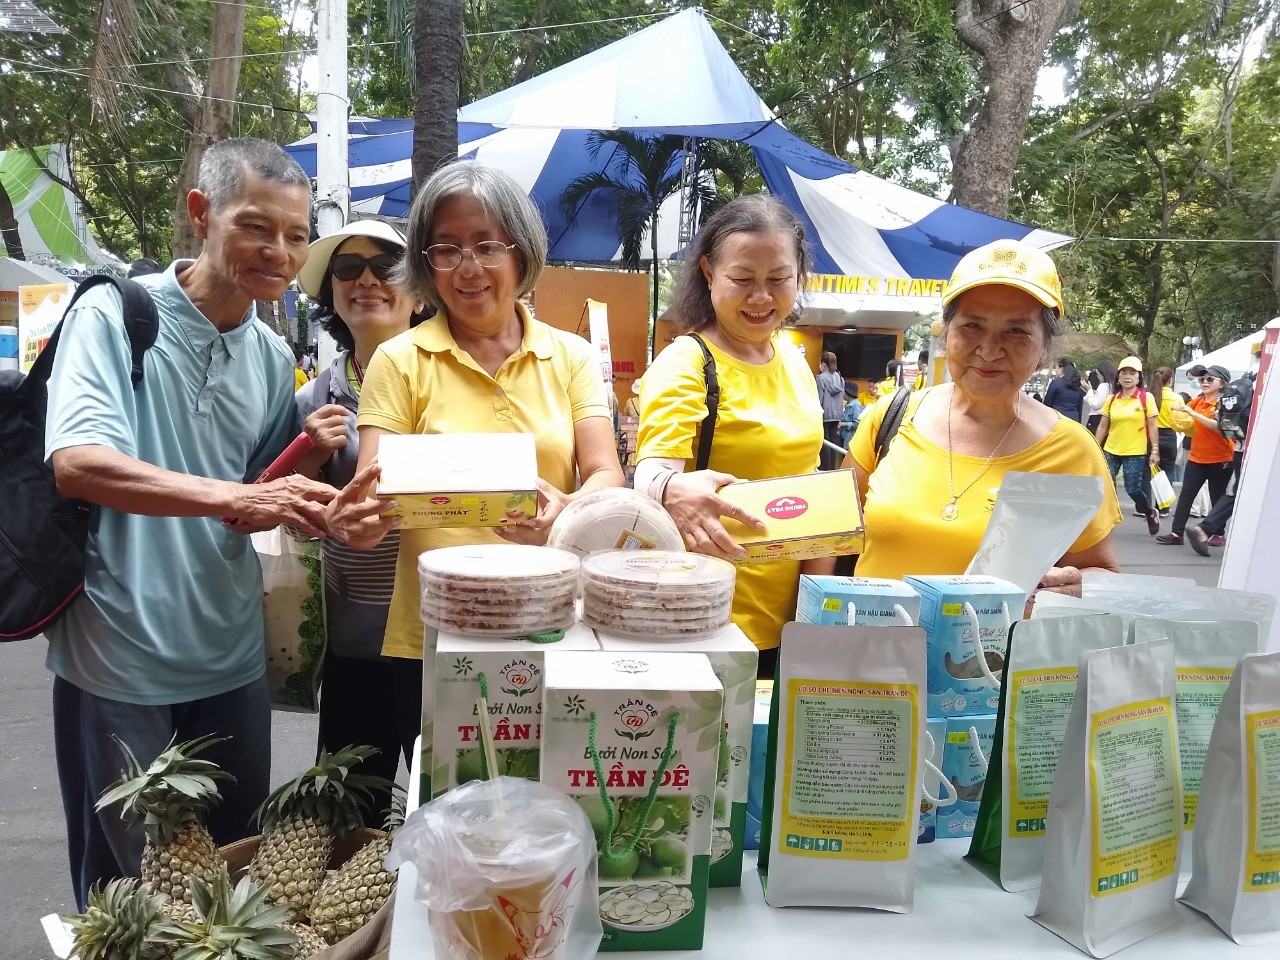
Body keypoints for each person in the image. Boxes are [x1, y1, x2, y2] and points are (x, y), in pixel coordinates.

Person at [44, 138, 337, 910]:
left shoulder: (274, 356)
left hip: (230, 652)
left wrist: (322, 483)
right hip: (118, 649)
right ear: (200, 214)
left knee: (236, 880)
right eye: (256, 227)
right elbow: (77, 462)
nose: (279, 252)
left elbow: (261, 493)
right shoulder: (114, 313)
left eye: (296, 236)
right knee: (136, 894)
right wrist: (236, 499)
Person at [324, 161, 625, 701]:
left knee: (543, 783)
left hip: (549, 620)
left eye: (488, 246)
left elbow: (606, 473)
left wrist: (568, 511)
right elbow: (374, 488)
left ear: (522, 252)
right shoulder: (399, 361)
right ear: (425, 262)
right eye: (446, 249)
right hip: (434, 633)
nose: (468, 268)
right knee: (445, 785)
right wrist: (360, 521)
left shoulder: (571, 356)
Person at [843, 238, 1121, 601]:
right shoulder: (891, 418)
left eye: (1016, 331)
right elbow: (832, 537)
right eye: (972, 326)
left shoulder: (1072, 450)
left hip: (994, 656)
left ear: (1043, 347)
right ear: (947, 333)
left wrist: (1073, 587)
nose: (989, 350)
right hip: (870, 650)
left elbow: (1101, 570)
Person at [633, 195, 825, 678]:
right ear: (708, 272)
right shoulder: (686, 363)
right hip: (703, 622)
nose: (761, 297)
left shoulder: (795, 360)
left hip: (787, 624)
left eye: (778, 279)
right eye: (742, 279)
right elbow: (653, 470)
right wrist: (667, 487)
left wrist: (815, 616)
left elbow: (812, 487)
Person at [291, 220, 425, 823]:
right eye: (348, 270)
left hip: (439, 640)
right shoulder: (310, 401)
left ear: (419, 291)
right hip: (355, 646)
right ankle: (364, 925)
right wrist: (309, 455)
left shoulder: (455, 388)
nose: (367, 280)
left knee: (449, 816)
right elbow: (274, 516)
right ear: (332, 296)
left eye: (386, 267)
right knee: (347, 820)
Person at [1156, 364, 1236, 546]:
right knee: (1186, 494)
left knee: (1217, 497)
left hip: (1220, 458)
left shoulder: (1225, 403)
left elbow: (1220, 426)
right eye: (1202, 379)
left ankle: (1218, 533)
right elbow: (1182, 414)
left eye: (1210, 379)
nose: (1204, 382)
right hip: (1197, 457)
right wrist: (1177, 414)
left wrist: (1192, 414)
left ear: (1222, 383)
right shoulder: (1198, 401)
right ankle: (1177, 533)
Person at [1095, 356, 1161, 535]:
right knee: (1104, 484)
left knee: (1133, 489)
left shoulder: (1146, 398)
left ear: (1138, 378)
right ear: (1118, 377)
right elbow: (1102, 426)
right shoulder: (1112, 399)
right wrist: (1094, 446)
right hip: (1111, 449)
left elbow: (1153, 426)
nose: (1128, 377)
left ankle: (1149, 512)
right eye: (1124, 373)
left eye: (1132, 373)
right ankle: (1104, 520)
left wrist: (1155, 450)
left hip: (1135, 451)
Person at [1150, 365, 1181, 488]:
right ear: (1170, 380)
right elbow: (1180, 422)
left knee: (1147, 473)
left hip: (1150, 436)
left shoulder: (1148, 396)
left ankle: (1146, 506)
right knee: (1167, 473)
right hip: (1169, 437)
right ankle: (1162, 506)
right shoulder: (1177, 398)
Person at [816, 350, 845, 469]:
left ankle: (825, 469)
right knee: (833, 442)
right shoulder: (840, 379)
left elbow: (818, 398)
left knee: (824, 444)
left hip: (824, 415)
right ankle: (833, 468)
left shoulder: (820, 379)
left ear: (823, 364)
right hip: (837, 415)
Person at [1043, 357, 1085, 422]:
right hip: (1074, 419)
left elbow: (1047, 403)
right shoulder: (1077, 385)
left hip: (1058, 419)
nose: (1055, 371)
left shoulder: (1056, 383)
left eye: (1056, 368)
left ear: (1061, 368)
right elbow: (1079, 407)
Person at [1084, 361, 1116, 434]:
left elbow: (1095, 404)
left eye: (1098, 374)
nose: (1097, 377)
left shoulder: (1103, 386)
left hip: (1096, 419)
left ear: (1103, 374)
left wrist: (1089, 390)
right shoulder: (1113, 387)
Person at [839, 381, 863, 449]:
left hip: (850, 440)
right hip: (844, 437)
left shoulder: (856, 406)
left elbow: (857, 424)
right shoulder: (847, 404)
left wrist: (844, 424)